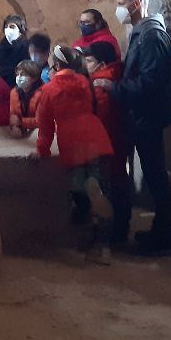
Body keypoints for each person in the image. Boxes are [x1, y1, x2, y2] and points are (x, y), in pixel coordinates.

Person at [112, 0, 171, 256]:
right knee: (153, 175)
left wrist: (113, 89)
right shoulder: (141, 33)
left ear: (136, 4)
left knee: (156, 176)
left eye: (120, 2)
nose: (118, 8)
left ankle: (163, 239)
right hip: (141, 116)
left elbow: (149, 82)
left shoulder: (151, 36)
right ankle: (159, 234)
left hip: (148, 117)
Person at [33, 44, 115, 257]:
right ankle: (104, 246)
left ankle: (86, 237)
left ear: (57, 65)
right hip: (97, 137)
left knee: (80, 195)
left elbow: (46, 127)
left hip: (74, 143)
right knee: (101, 191)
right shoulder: (84, 81)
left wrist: (41, 151)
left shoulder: (49, 90)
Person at [83, 41, 132, 246]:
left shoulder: (101, 84)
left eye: (89, 60)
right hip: (117, 143)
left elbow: (100, 119)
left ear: (101, 63)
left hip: (107, 144)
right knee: (118, 185)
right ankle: (118, 231)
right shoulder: (114, 77)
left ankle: (112, 236)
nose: (86, 64)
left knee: (109, 190)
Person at [0, 14, 30, 87]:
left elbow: (28, 70)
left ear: (20, 30)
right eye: (6, 27)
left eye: (12, 27)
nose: (8, 30)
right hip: (1, 89)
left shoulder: (27, 47)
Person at [8, 59, 43, 136]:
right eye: (17, 74)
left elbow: (41, 120)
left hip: (39, 129)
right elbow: (13, 113)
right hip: (23, 127)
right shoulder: (14, 92)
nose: (19, 77)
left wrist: (20, 121)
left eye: (23, 75)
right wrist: (14, 126)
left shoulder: (43, 94)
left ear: (34, 78)